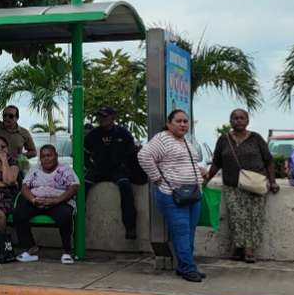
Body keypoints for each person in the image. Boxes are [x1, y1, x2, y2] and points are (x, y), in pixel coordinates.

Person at [138, 108, 207, 282]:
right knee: (181, 231)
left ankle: (184, 265)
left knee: (189, 231)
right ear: (168, 123)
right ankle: (189, 268)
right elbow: (144, 156)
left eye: (185, 121)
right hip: (172, 193)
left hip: (192, 192)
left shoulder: (186, 142)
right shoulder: (162, 139)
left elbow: (179, 163)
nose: (183, 124)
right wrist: (158, 179)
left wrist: (198, 171)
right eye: (178, 121)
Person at [203, 109, 278, 263]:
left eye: (242, 118)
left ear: (247, 121)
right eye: (235, 118)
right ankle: (239, 248)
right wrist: (206, 180)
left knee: (253, 218)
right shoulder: (224, 139)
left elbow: (268, 161)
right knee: (237, 218)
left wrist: (273, 182)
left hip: (255, 185)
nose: (239, 121)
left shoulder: (256, 138)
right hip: (233, 186)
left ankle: (249, 251)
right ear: (230, 121)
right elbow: (217, 162)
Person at [13, 144, 80, 263]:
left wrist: (56, 201)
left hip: (60, 202)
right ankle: (31, 247)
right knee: (18, 213)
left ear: (56, 156)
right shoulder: (34, 170)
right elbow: (24, 188)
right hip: (37, 202)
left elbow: (74, 187)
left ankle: (67, 252)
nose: (46, 158)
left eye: (49, 155)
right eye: (43, 156)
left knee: (65, 216)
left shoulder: (65, 169)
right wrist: (33, 200)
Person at [83, 105, 139, 240]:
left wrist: (125, 166)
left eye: (104, 116)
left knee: (125, 186)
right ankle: (77, 224)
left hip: (117, 171)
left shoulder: (123, 133)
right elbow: (84, 153)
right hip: (97, 170)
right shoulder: (93, 135)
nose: (101, 119)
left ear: (113, 118)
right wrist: (89, 165)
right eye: (100, 116)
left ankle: (130, 227)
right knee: (82, 186)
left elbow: (132, 154)